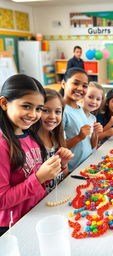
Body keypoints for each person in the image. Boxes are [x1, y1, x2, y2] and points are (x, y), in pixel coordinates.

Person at [0, 74, 62, 236]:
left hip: (34, 213)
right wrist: (40, 178)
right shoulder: (2, 144)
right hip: (13, 226)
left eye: (38, 108)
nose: (33, 114)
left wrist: (55, 167)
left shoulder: (30, 136)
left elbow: (32, 176)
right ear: (4, 103)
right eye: (26, 106)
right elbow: (2, 200)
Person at [60, 67, 99, 172]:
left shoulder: (80, 109)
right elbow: (59, 148)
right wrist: (79, 137)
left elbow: (90, 144)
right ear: (63, 84)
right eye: (75, 83)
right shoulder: (61, 111)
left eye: (84, 86)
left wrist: (95, 133)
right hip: (73, 169)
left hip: (86, 164)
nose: (80, 88)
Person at [38, 88, 73, 193]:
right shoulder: (31, 144)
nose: (53, 116)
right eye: (45, 110)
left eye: (58, 111)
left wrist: (64, 165)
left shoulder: (57, 138)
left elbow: (63, 177)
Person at [81, 81, 104, 149]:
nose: (94, 101)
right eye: (90, 97)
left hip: (88, 157)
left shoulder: (93, 118)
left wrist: (95, 133)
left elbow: (93, 146)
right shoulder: (74, 114)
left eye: (98, 99)